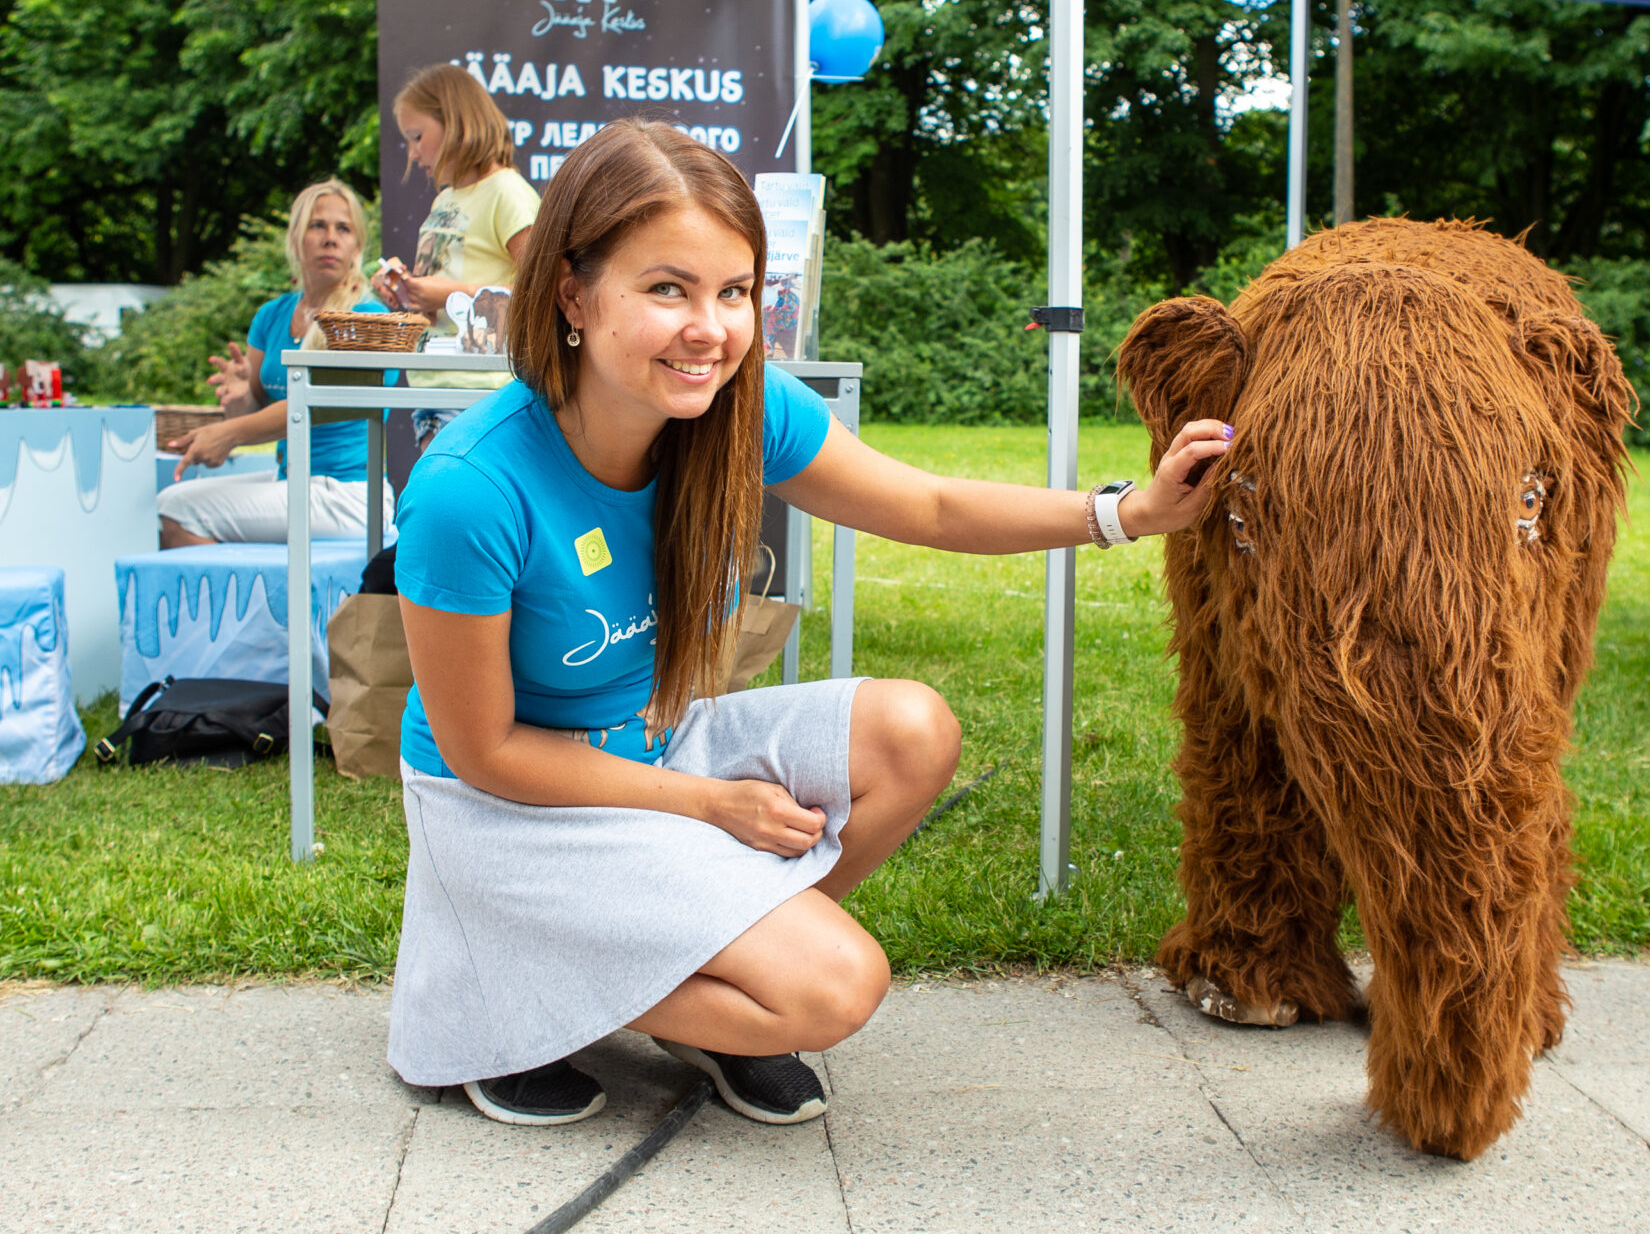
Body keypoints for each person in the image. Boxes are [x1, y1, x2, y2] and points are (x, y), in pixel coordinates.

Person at [388, 120, 1232, 1129]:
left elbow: (926, 506)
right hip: (509, 807)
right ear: (572, 294)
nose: (711, 328)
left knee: (913, 729)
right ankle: (506, 979)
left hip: (657, 739)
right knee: (833, 989)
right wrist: (706, 805)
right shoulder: (469, 486)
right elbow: (484, 751)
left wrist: (1127, 511)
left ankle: (706, 1003)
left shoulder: (737, 405)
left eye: (734, 291)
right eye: (668, 288)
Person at [159, 179, 394, 547]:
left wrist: (229, 434)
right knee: (169, 502)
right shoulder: (272, 315)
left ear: (357, 246)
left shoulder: (368, 318)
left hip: (347, 495)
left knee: (178, 508)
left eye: (343, 229)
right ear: (296, 239)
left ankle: (243, 606)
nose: (330, 238)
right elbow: (249, 409)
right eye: (318, 225)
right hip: (292, 481)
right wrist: (238, 399)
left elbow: (312, 405)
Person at [373, 63, 540, 448]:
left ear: (457, 122)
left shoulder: (507, 192)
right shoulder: (444, 199)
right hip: (433, 380)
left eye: (417, 137)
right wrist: (406, 291)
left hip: (482, 388)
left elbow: (543, 289)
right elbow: (433, 304)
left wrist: (448, 294)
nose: (413, 154)